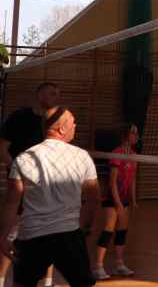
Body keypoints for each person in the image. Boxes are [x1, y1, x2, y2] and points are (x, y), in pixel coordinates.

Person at [0, 107, 99, 287]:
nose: (75, 126)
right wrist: (85, 228)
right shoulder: (82, 156)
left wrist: (3, 236)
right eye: (73, 122)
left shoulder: (23, 158)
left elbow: (11, 202)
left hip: (32, 236)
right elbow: (93, 199)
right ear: (61, 128)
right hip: (68, 235)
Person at [0, 82, 61, 287]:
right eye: (52, 93)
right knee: (12, 233)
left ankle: (48, 282)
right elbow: (2, 149)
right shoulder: (19, 117)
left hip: (46, 185)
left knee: (49, 232)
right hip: (21, 185)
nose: (55, 97)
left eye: (57, 94)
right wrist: (18, 171)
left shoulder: (56, 122)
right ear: (39, 94)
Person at [93, 124, 139, 280]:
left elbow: (133, 180)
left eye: (137, 133)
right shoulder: (116, 153)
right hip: (112, 197)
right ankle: (98, 267)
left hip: (124, 199)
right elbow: (112, 182)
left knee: (122, 231)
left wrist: (133, 199)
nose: (136, 136)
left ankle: (119, 265)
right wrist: (118, 203)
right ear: (126, 135)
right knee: (108, 229)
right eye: (133, 133)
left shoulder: (135, 155)